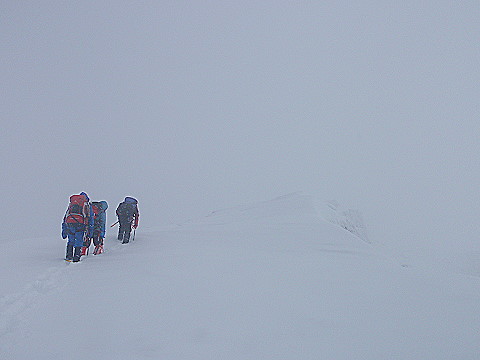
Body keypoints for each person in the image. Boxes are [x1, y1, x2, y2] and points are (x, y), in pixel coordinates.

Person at [62, 192, 94, 262]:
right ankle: (76, 256)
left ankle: (69, 255)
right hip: (81, 224)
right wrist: (90, 233)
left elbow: (65, 217)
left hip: (70, 223)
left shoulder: (72, 205)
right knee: (79, 240)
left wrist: (64, 232)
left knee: (71, 240)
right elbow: (91, 219)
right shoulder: (87, 205)